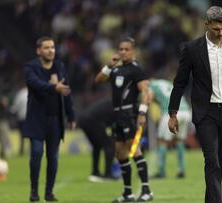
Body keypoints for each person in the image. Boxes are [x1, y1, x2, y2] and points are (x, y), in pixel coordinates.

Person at [168, 6, 222, 203]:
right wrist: (172, 113)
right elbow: (180, 82)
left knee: (219, 164)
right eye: (216, 29)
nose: (221, 33)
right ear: (206, 25)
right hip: (205, 112)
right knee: (212, 161)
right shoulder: (192, 49)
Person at [95, 37, 153, 202]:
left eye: (126, 49)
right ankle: (128, 193)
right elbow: (98, 80)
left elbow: (146, 92)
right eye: (120, 49)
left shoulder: (137, 70)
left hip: (130, 115)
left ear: (133, 51)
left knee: (134, 150)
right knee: (120, 153)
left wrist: (142, 113)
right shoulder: (117, 70)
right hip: (117, 116)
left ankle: (147, 190)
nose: (123, 52)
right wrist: (109, 65)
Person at [24, 36, 76, 202]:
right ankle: (34, 191)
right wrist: (54, 87)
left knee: (53, 157)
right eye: (46, 48)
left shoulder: (60, 66)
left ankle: (49, 192)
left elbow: (66, 91)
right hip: (36, 119)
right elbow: (35, 84)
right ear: (39, 51)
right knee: (37, 153)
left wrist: (71, 115)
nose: (51, 50)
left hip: (55, 119)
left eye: (52, 47)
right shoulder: (31, 67)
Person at [149, 79, 191, 179]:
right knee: (179, 140)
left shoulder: (151, 86)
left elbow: (150, 97)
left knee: (162, 141)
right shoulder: (166, 83)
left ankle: (161, 171)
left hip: (172, 114)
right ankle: (181, 169)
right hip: (186, 112)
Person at [77, 97, 117, 182]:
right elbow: (113, 123)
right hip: (91, 120)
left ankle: (95, 172)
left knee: (97, 146)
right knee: (109, 145)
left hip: (83, 119)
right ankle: (108, 174)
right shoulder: (116, 105)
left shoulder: (110, 101)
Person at [10, 85, 28, 156]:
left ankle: (22, 151)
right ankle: (30, 151)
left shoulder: (20, 94)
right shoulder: (34, 92)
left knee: (22, 136)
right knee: (32, 136)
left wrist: (11, 110)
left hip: (22, 119)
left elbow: (15, 107)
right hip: (32, 118)